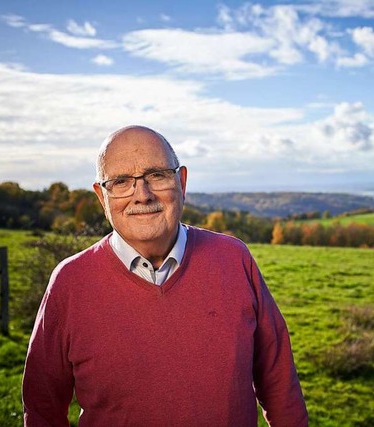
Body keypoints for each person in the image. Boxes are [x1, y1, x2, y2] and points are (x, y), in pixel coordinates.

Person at [22, 125, 308, 426]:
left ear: (181, 182)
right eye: (121, 182)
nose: (142, 195)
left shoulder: (234, 259)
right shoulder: (70, 282)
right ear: (101, 197)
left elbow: (279, 382)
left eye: (156, 175)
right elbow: (42, 409)